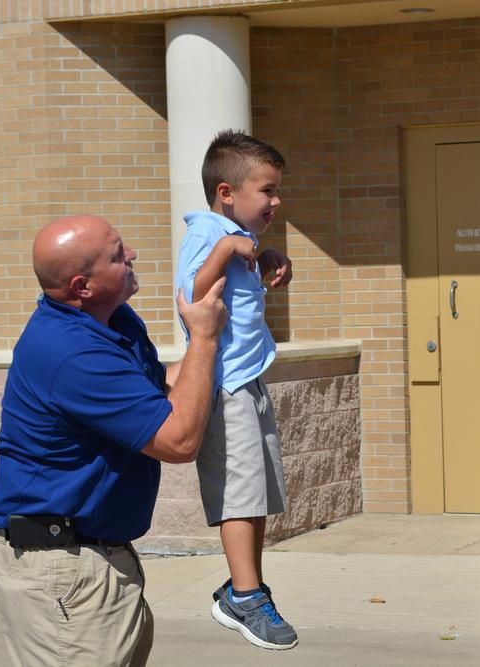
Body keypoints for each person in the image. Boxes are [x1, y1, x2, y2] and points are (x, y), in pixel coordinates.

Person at [0, 214, 228, 667]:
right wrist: (204, 339)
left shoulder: (114, 321)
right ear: (82, 286)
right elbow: (176, 441)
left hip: (94, 556)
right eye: (117, 255)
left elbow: (158, 398)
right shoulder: (71, 352)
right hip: (63, 567)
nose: (133, 254)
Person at [176, 130, 297, 650]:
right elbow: (192, 296)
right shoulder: (209, 233)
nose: (275, 201)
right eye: (266, 191)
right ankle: (246, 596)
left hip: (247, 381)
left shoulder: (232, 236)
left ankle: (246, 590)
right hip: (223, 386)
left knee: (257, 495)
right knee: (237, 495)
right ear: (227, 192)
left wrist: (264, 255)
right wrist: (228, 246)